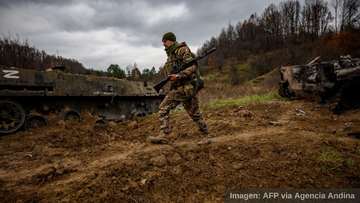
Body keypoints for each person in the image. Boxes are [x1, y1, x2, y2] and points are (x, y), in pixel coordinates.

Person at [149, 32, 211, 145]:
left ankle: (206, 136)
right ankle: (164, 135)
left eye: (165, 41)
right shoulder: (171, 54)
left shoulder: (182, 50)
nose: (163, 44)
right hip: (178, 89)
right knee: (163, 107)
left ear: (171, 41)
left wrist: (178, 76)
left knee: (194, 113)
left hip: (187, 88)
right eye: (163, 41)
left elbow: (192, 67)